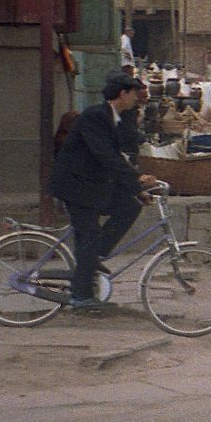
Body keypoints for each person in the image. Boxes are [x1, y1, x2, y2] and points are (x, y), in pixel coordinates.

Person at [48, 75, 158, 310]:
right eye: (133, 93)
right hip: (75, 185)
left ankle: (92, 259)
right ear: (123, 94)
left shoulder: (114, 118)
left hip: (91, 184)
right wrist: (136, 181)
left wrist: (135, 189)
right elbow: (106, 156)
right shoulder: (95, 116)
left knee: (129, 206)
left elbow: (116, 157)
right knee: (89, 236)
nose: (136, 99)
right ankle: (81, 296)